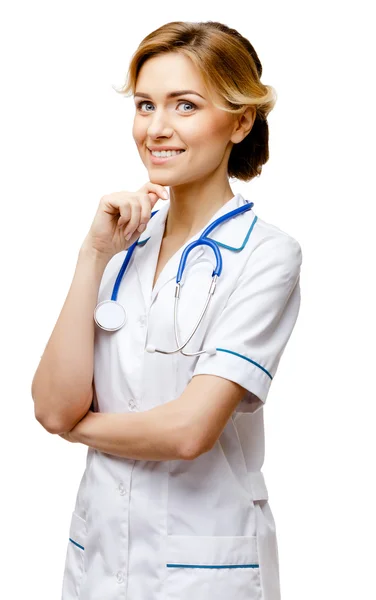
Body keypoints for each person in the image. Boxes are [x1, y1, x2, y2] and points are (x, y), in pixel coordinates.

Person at [31, 20, 303, 600]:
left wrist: (77, 430)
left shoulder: (265, 254)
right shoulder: (120, 244)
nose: (157, 128)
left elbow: (188, 431)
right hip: (100, 559)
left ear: (241, 119)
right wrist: (92, 254)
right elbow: (52, 403)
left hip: (205, 567)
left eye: (185, 106)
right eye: (145, 105)